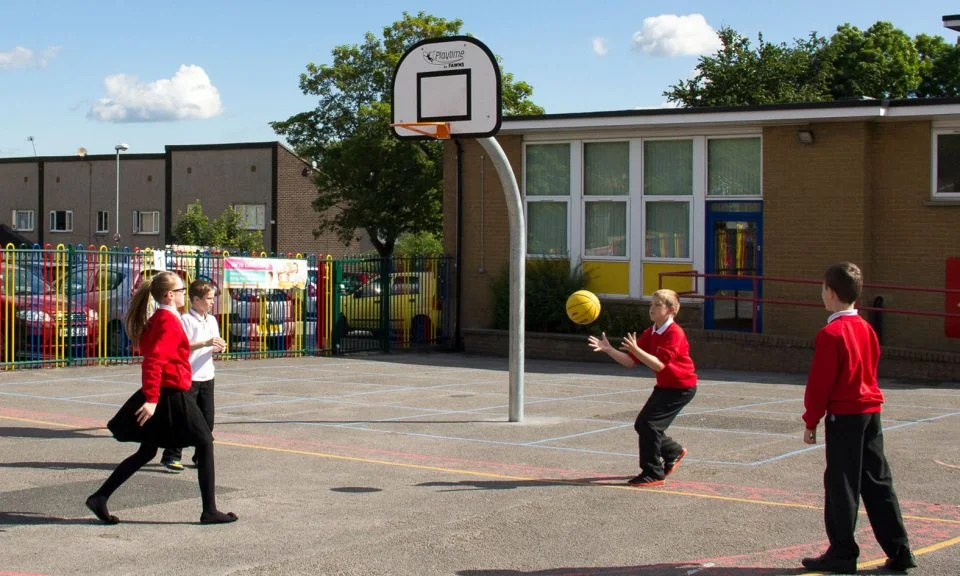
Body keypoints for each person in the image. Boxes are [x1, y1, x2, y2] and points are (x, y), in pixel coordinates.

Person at [85, 271, 238, 525]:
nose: (183, 295)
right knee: (205, 442)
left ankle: (99, 497)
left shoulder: (163, 317)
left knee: (147, 451)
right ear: (169, 295)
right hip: (170, 394)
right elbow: (153, 361)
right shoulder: (167, 320)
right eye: (180, 291)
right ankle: (209, 510)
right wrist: (153, 399)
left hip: (168, 391)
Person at [800, 262, 914, 573]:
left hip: (846, 416)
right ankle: (899, 549)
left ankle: (842, 552)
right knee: (877, 481)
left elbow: (820, 383)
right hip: (870, 412)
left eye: (823, 288)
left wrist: (811, 420)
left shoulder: (830, 333)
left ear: (831, 292)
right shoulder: (866, 329)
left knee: (842, 484)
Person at [587, 289, 697, 487]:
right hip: (666, 386)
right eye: (650, 305)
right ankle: (672, 451)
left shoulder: (675, 333)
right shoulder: (652, 331)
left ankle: (653, 472)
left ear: (671, 310)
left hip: (681, 387)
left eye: (657, 305)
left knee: (649, 425)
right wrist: (609, 349)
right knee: (643, 425)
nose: (651, 309)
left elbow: (659, 365)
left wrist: (637, 349)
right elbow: (630, 361)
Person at [160, 280, 226, 472]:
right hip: (189, 377)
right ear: (196, 300)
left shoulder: (211, 320)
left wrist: (219, 347)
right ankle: (171, 455)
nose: (212, 302)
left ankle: (200, 455)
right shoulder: (185, 320)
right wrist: (205, 343)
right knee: (183, 419)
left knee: (207, 420)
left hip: (207, 376)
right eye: (208, 298)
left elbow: (213, 343)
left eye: (213, 298)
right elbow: (181, 346)